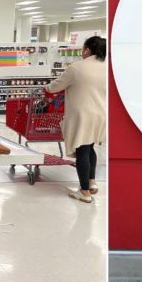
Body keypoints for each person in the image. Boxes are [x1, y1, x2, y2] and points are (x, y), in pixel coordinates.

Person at [44, 35, 106, 203]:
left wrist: (47, 88)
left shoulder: (77, 67)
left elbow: (57, 86)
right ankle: (91, 182)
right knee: (90, 147)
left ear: (87, 50)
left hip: (82, 114)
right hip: (100, 113)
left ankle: (84, 193)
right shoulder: (106, 67)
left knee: (82, 151)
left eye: (83, 48)